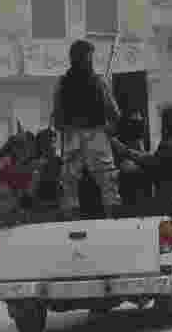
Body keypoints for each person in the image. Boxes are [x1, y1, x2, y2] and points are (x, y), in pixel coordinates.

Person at [51, 39, 122, 218]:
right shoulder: (98, 82)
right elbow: (114, 113)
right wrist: (109, 128)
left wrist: (67, 129)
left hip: (72, 136)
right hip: (96, 136)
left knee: (69, 185)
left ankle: (73, 222)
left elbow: (57, 118)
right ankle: (111, 222)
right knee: (108, 181)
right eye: (88, 57)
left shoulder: (62, 84)